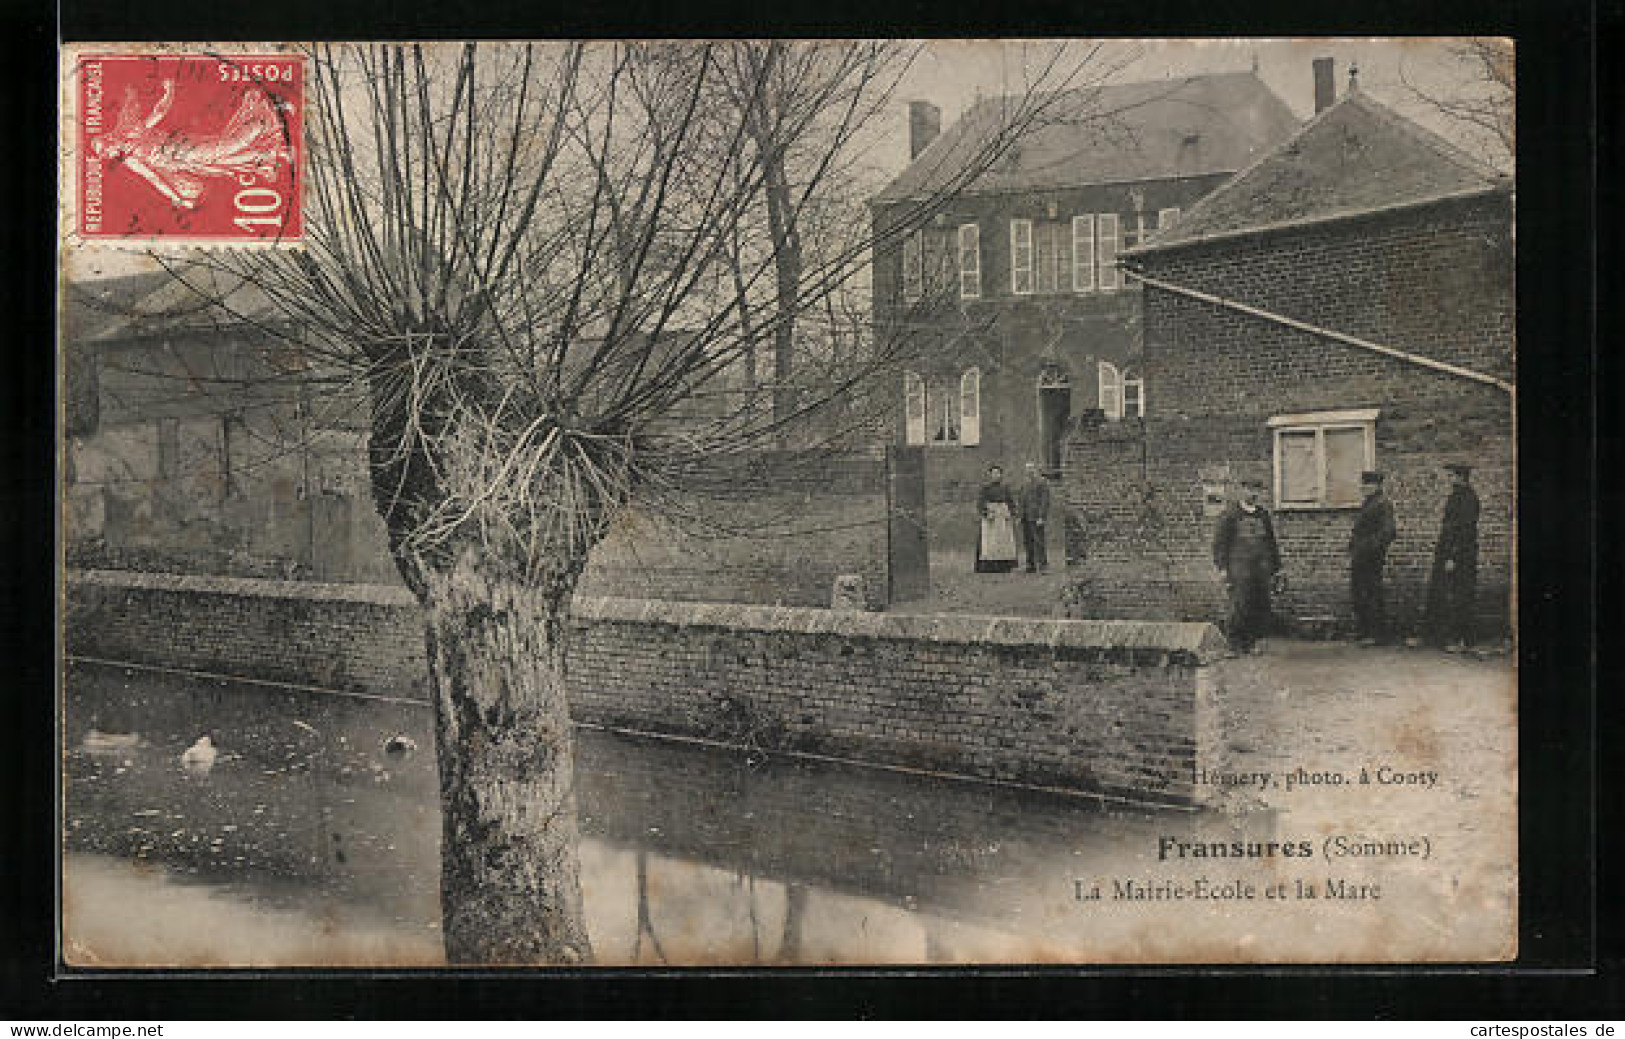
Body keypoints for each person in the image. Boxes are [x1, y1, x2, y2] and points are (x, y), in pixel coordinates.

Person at [1211, 477, 1282, 655]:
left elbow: (1271, 543)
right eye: (1249, 489)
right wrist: (1222, 569)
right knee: (1239, 605)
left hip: (1261, 570)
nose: (1253, 493)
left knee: (1258, 606)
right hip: (1239, 570)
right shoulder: (1231, 515)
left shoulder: (1263, 515)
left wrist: (1277, 568)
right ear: (1241, 491)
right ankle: (1234, 644)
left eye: (1257, 490)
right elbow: (1220, 544)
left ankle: (1252, 643)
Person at [1425, 463, 1480, 651]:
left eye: (1451, 476)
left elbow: (1465, 531)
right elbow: (1448, 529)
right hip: (1448, 553)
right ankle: (1443, 636)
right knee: (1444, 595)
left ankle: (1462, 639)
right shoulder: (1455, 497)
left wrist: (1453, 557)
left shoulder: (1468, 499)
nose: (1449, 480)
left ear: (1461, 477)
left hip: (1461, 556)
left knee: (1460, 596)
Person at [1348, 470, 1397, 645]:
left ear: (1377, 486)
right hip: (1361, 556)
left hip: (1371, 557)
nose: (1363, 487)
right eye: (1363, 484)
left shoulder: (1383, 504)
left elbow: (1388, 531)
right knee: (1360, 592)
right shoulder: (1369, 503)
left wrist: (1369, 547)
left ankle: (1376, 634)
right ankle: (1364, 630)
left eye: (1367, 484)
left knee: (1372, 593)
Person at [975, 464, 1018, 573]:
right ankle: (990, 566)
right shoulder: (985, 488)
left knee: (1004, 541)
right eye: (993, 473)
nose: (996, 476)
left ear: (1001, 475)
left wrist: (1013, 513)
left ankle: (1004, 566)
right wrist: (986, 513)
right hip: (991, 516)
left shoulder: (1005, 488)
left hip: (1003, 516)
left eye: (998, 473)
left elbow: (1011, 502)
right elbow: (980, 503)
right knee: (990, 542)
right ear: (990, 475)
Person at [1017, 462, 1052, 574]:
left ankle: (1043, 565)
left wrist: (1041, 516)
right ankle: (1030, 565)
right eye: (1027, 469)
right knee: (1027, 542)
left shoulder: (1042, 483)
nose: (1029, 471)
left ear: (1036, 469)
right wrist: (1020, 516)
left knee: (1039, 541)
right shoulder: (1024, 484)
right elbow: (1021, 501)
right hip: (1026, 517)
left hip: (1036, 517)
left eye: (1031, 468)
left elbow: (1045, 501)